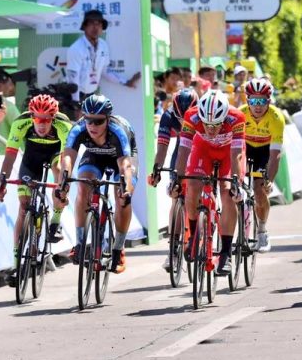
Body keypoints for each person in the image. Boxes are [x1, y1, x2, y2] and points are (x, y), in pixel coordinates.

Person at [0, 95, 72, 286]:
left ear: (53, 118)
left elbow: (65, 161)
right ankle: (15, 263)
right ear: (32, 117)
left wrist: (63, 186)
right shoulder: (21, 122)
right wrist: (2, 182)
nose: (42, 124)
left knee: (59, 175)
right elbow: (10, 156)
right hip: (31, 160)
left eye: (46, 119)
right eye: (37, 119)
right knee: (23, 206)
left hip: (55, 156)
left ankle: (55, 220)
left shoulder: (64, 126)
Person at [56, 95, 137, 274]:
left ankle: (118, 249)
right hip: (95, 156)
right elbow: (68, 158)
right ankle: (79, 243)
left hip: (121, 158)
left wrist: (128, 190)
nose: (92, 126)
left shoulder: (118, 130)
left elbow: (125, 164)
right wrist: (63, 185)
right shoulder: (78, 129)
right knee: (83, 186)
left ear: (107, 119)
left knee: (121, 196)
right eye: (88, 120)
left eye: (98, 121)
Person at [173, 90, 246, 275]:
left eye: (216, 125)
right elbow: (183, 150)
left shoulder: (236, 117)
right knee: (192, 187)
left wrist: (237, 182)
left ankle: (226, 253)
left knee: (228, 192)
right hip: (203, 150)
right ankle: (194, 234)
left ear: (225, 117)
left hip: (228, 153)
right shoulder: (191, 115)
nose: (211, 129)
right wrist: (178, 178)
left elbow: (237, 153)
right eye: (207, 124)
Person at [147, 88, 199, 271]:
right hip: (182, 149)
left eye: (188, 117)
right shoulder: (168, 116)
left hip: (201, 147)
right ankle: (174, 250)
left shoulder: (203, 113)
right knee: (177, 197)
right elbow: (162, 147)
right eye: (180, 118)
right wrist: (157, 171)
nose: (184, 122)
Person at [239, 78, 286, 253]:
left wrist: (270, 180)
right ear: (247, 100)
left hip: (264, 152)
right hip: (245, 149)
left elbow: (275, 155)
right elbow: (232, 148)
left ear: (269, 100)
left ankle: (262, 231)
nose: (257, 106)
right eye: (253, 101)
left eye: (262, 101)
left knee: (259, 192)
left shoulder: (276, 118)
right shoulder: (240, 114)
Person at [65, 9, 140, 103]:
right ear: (84, 26)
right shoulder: (76, 48)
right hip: (76, 96)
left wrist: (125, 82)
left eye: (99, 24)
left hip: (92, 95)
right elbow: (73, 77)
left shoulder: (103, 45)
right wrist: (75, 103)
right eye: (91, 23)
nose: (95, 27)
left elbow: (105, 71)